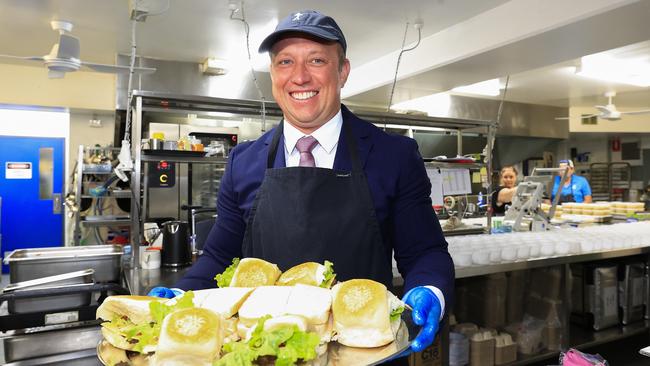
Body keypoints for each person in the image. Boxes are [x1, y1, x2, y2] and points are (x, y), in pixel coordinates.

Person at [150, 10, 454, 357]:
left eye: (316, 60)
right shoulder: (243, 162)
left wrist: (431, 288)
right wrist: (183, 296)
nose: (299, 76)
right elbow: (220, 255)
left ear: (342, 71)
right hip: (266, 353)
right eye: (285, 62)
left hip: (363, 351)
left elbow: (424, 251)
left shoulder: (393, 155)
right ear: (273, 74)